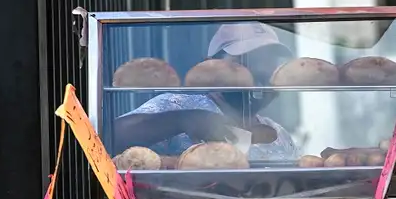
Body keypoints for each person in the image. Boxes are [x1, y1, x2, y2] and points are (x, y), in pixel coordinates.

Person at [113, 22, 298, 160]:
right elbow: (110, 138)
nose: (260, 71)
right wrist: (182, 120)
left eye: (268, 62)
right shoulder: (175, 106)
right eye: (244, 62)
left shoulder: (278, 134)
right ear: (210, 64)